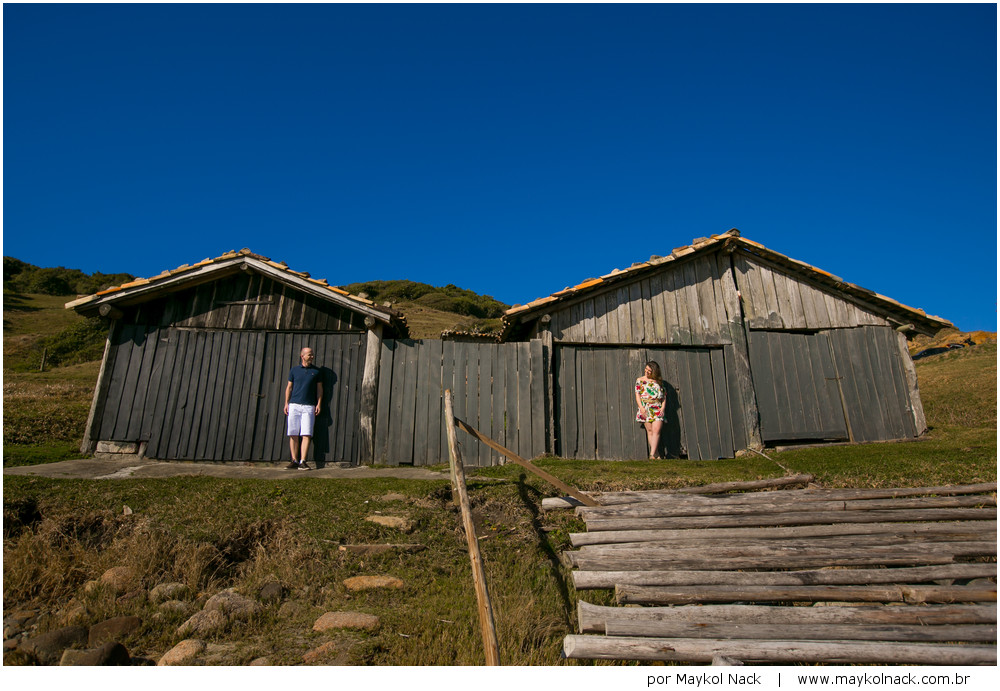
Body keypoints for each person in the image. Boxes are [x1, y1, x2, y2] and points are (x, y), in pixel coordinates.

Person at [284, 346, 323, 470]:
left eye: (312, 354)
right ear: (302, 356)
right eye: (309, 355)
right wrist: (286, 403)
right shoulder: (294, 370)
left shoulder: (316, 372)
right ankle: (294, 460)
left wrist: (319, 403)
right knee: (293, 433)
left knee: (306, 434)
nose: (311, 357)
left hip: (309, 406)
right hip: (294, 405)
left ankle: (303, 461)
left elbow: (319, 389)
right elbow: (289, 387)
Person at [635, 361, 666, 459]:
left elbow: (664, 396)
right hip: (645, 407)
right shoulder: (639, 380)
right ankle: (656, 454)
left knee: (656, 429)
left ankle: (652, 454)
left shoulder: (659, 381)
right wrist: (641, 408)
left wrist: (662, 408)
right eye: (646, 369)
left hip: (657, 407)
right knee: (650, 431)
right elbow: (637, 395)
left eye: (649, 371)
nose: (647, 372)